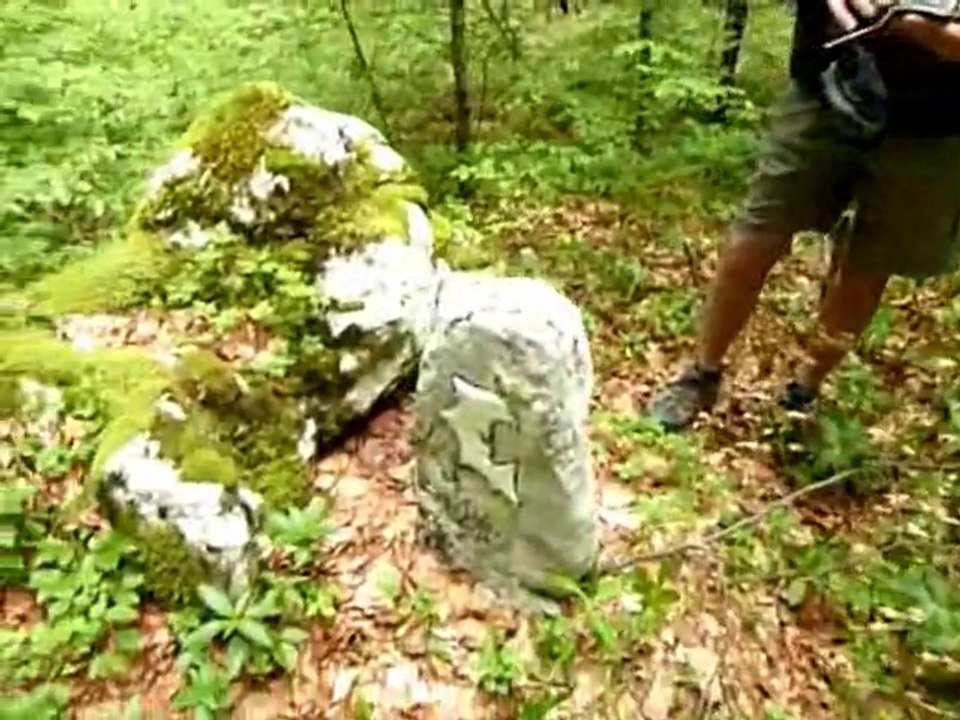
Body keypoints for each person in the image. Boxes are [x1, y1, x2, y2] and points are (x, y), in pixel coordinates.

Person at [649, 0, 960, 431]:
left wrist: (925, 32)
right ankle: (702, 373)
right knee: (758, 234)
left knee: (868, 267)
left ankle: (803, 392)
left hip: (934, 126)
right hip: (826, 85)